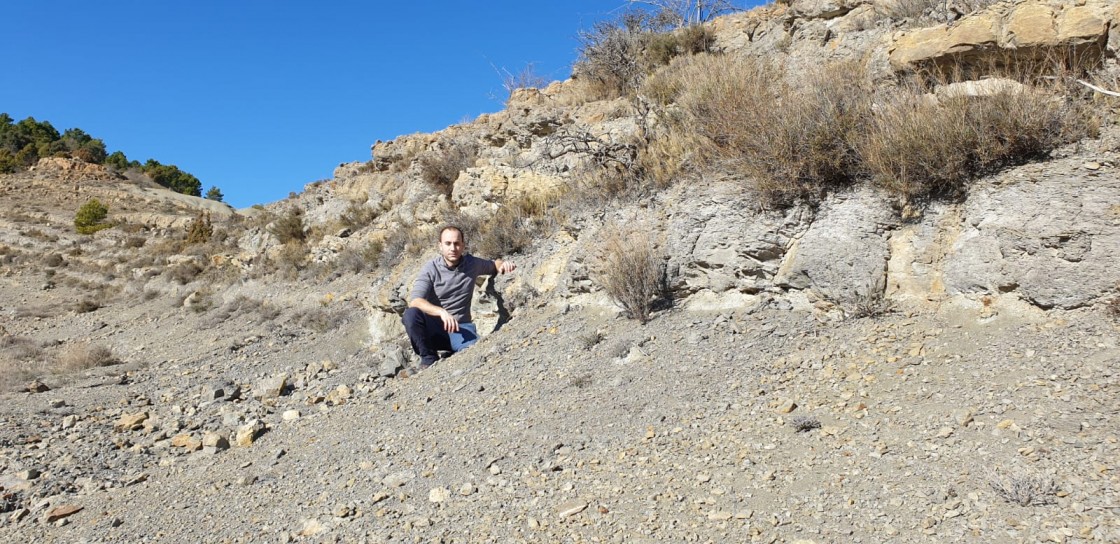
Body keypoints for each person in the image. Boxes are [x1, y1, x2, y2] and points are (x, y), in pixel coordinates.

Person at [402, 226, 516, 368]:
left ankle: (455, 353)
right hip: (435, 329)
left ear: (463, 245)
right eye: (448, 243)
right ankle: (429, 357)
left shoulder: (472, 264)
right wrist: (441, 312)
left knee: (476, 353)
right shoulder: (430, 269)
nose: (453, 248)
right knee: (410, 315)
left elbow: (494, 264)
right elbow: (416, 301)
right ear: (440, 246)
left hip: (460, 327)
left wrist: (503, 265)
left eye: (457, 243)